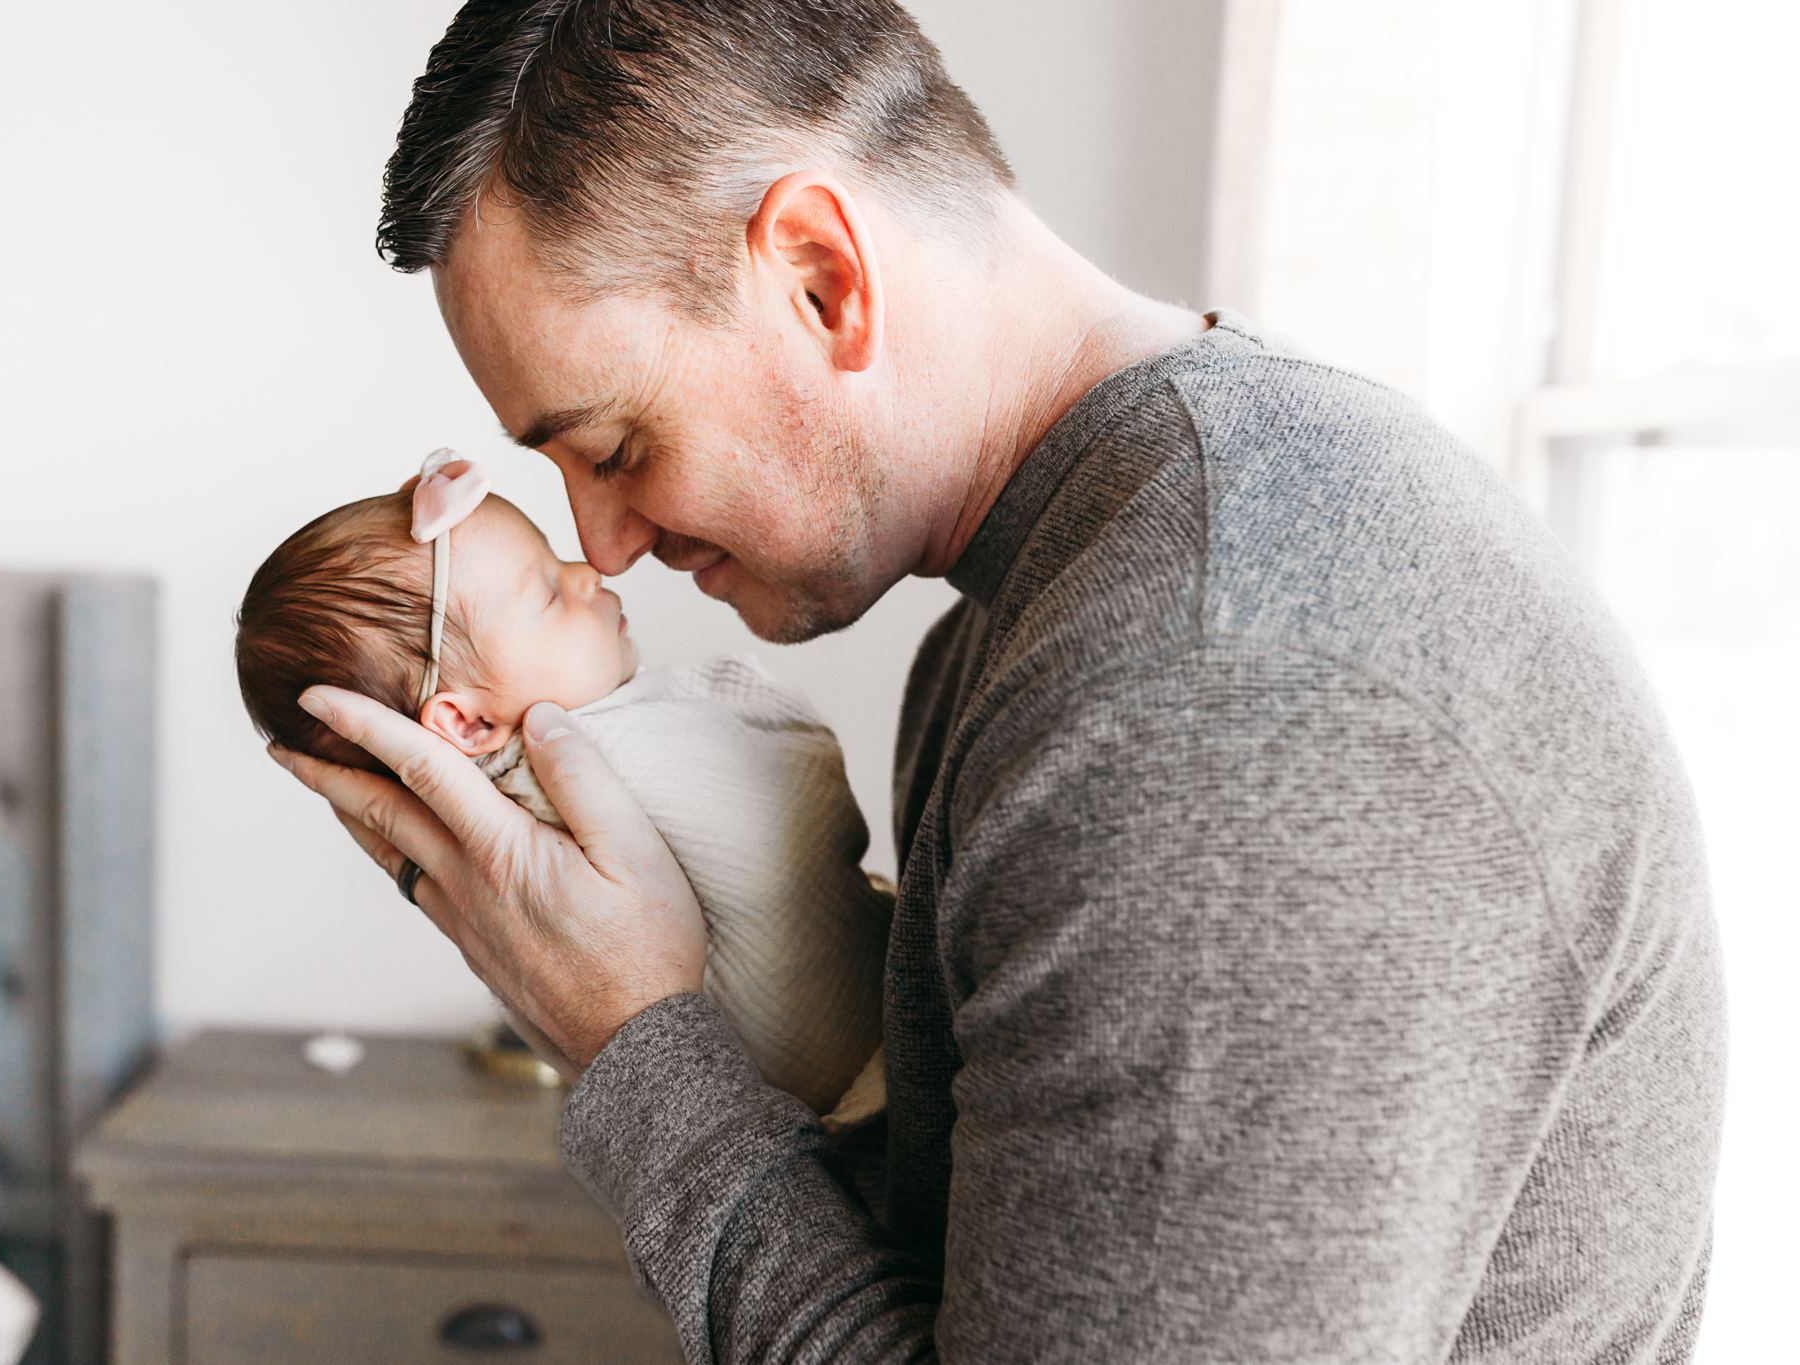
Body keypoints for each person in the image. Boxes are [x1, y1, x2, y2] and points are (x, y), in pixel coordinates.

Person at [269, 2, 1725, 1360]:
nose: (603, 541)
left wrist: (634, 1047)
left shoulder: (1216, 705)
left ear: (823, 279)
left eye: (615, 446)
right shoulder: (1034, 621)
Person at [233, 461, 893, 1120]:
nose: (589, 571)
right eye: (548, 592)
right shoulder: (558, 790)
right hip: (855, 1093)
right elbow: (800, 796)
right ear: (465, 722)